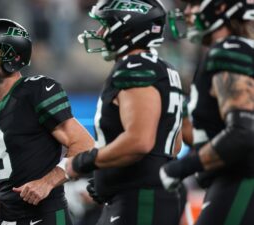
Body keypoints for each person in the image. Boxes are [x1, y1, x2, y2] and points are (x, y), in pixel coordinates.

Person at [0, 18, 94, 225]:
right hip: (7, 217)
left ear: (15, 54)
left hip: (45, 216)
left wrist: (47, 182)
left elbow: (85, 144)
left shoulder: (37, 91)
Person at [65, 0, 186, 224]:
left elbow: (139, 142)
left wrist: (82, 162)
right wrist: (109, 176)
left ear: (127, 29)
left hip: (141, 197)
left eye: (106, 25)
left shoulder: (135, 68)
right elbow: (172, 145)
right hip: (147, 194)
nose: (100, 32)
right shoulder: (163, 68)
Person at [160, 0, 254, 224]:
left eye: (194, 5)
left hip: (240, 180)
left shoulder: (228, 52)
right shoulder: (239, 50)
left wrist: (182, 167)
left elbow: (243, 132)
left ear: (221, 7)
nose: (188, 12)